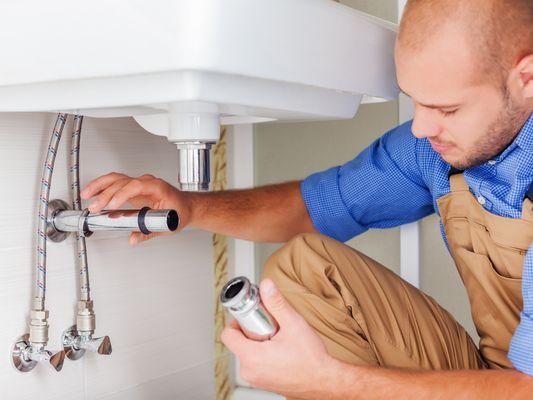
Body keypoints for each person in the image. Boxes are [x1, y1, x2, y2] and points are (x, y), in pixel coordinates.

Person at [80, 0, 533, 398]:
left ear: (526, 77)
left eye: (447, 109)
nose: (420, 127)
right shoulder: (434, 148)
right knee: (308, 268)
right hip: (498, 376)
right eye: (416, 101)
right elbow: (315, 207)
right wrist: (192, 207)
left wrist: (332, 382)